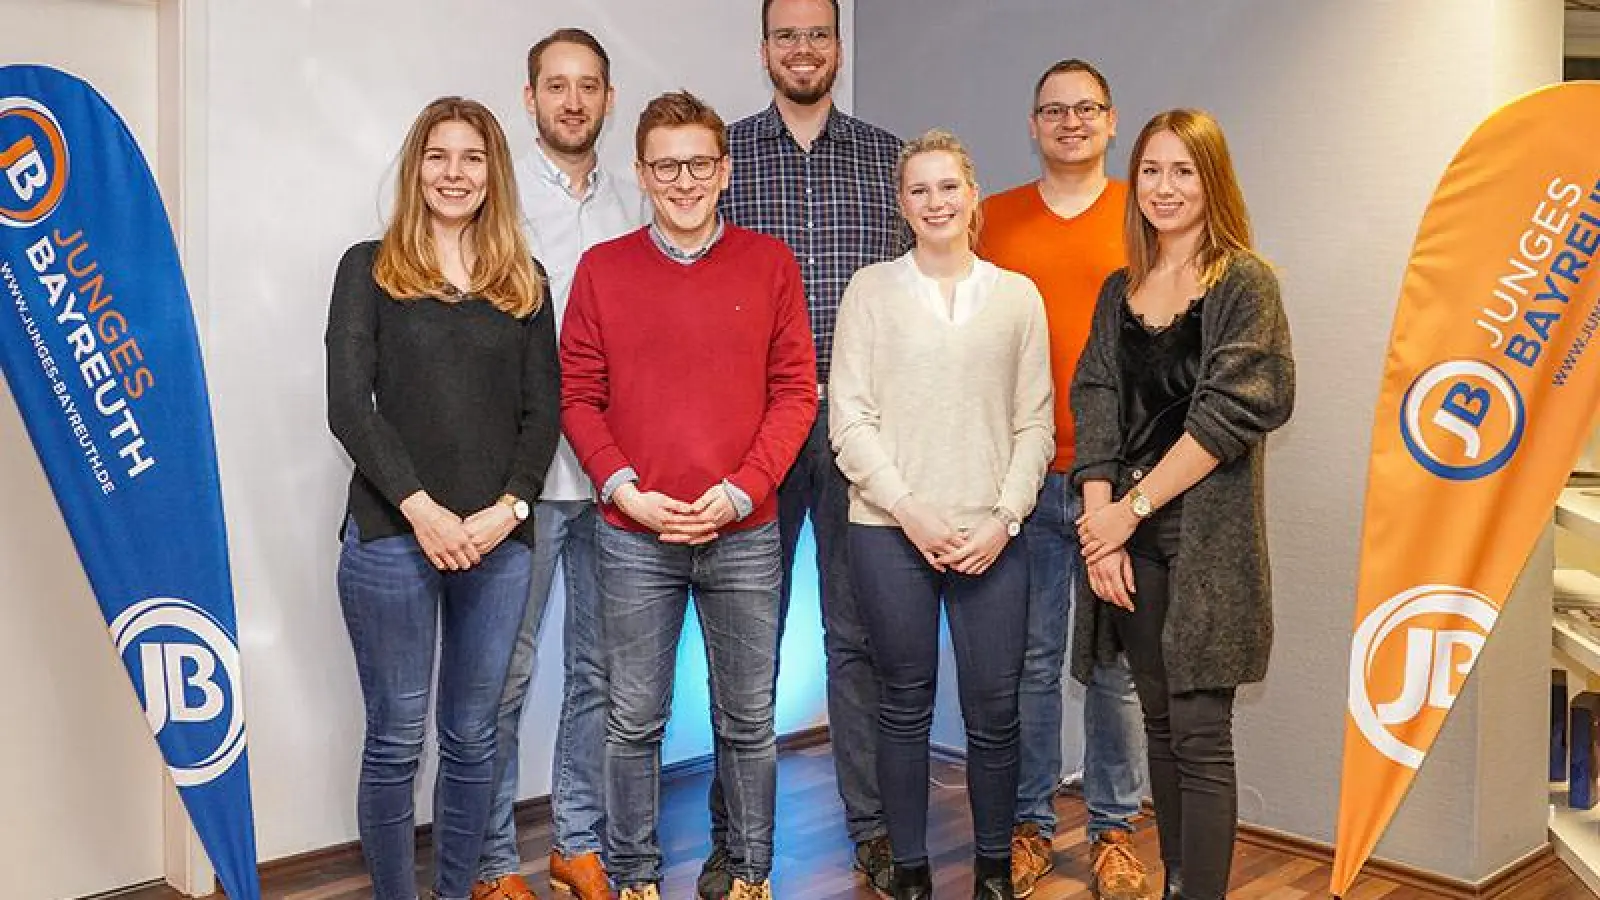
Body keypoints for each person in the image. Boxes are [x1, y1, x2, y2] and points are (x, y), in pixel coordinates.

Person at [560, 90, 817, 900]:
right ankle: (636, 879)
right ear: (641, 173)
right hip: (634, 532)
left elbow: (795, 393)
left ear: (725, 170)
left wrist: (743, 491)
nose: (683, 181)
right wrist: (623, 489)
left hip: (743, 530)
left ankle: (749, 875)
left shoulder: (770, 264)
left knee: (748, 723)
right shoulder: (603, 270)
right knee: (633, 721)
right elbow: (577, 394)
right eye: (666, 165)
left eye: (699, 163)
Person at [325, 96, 560, 900]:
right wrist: (423, 510)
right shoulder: (368, 268)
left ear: (493, 171)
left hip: (499, 544)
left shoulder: (525, 282)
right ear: (415, 166)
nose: (454, 173)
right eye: (438, 156)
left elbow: (544, 413)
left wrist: (506, 512)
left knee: (472, 739)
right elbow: (350, 406)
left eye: (471, 157)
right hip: (393, 535)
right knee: (395, 741)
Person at [1070, 109, 1294, 900]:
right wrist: (1102, 533)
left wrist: (1126, 511)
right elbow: (1094, 401)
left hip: (1204, 544)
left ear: (1212, 180)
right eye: (1153, 171)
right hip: (1126, 538)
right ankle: (1174, 882)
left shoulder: (1244, 283)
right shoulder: (1117, 290)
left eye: (1183, 171)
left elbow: (1230, 414)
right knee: (1157, 722)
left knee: (1201, 734)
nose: (1165, 188)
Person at [830, 129, 1055, 900]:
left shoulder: (1017, 297)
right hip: (891, 532)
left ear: (973, 196)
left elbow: (1036, 424)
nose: (936, 202)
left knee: (995, 711)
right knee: (903, 704)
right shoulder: (869, 291)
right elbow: (848, 421)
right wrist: (911, 511)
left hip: (995, 535)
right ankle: (913, 873)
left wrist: (1004, 519)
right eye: (919, 190)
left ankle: (993, 869)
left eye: (948, 187)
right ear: (902, 204)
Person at [717, 1, 910, 893]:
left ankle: (872, 830)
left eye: (819, 34)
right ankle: (735, 841)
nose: (804, 49)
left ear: (839, 46)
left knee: (854, 637)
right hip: (752, 435)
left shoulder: (890, 160)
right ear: (764, 51)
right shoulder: (721, 157)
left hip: (856, 435)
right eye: (787, 35)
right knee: (742, 643)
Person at [472, 28, 644, 900]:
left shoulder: (637, 205)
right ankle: (492, 859)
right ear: (530, 96)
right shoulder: (497, 207)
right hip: (527, 483)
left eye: (588, 87)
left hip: (615, 480)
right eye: (556, 86)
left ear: (609, 99)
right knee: (504, 674)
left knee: (600, 673)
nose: (573, 101)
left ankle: (576, 841)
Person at [975, 59, 1149, 900]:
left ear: (1112, 122)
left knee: (1112, 667)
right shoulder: (993, 219)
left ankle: (1115, 830)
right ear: (1033, 124)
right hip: (1023, 478)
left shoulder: (1145, 211)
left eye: (1087, 109)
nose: (1070, 121)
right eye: (1054, 109)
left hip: (1118, 482)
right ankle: (1030, 825)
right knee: (1032, 663)